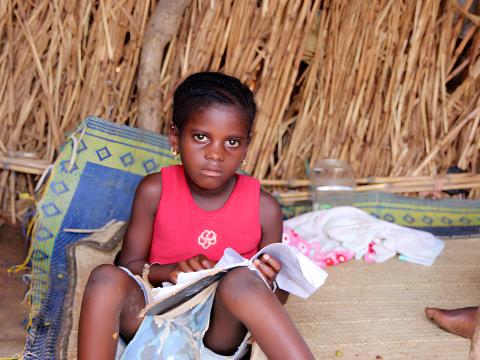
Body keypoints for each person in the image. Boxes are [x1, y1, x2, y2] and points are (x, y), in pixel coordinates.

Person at [77, 72, 314, 359]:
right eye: (201, 137)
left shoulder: (265, 209)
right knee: (105, 276)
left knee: (241, 280)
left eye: (232, 142)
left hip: (216, 338)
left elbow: (276, 301)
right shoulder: (155, 190)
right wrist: (173, 270)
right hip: (152, 322)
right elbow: (129, 266)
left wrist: (269, 282)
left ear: (247, 146)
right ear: (175, 137)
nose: (216, 154)